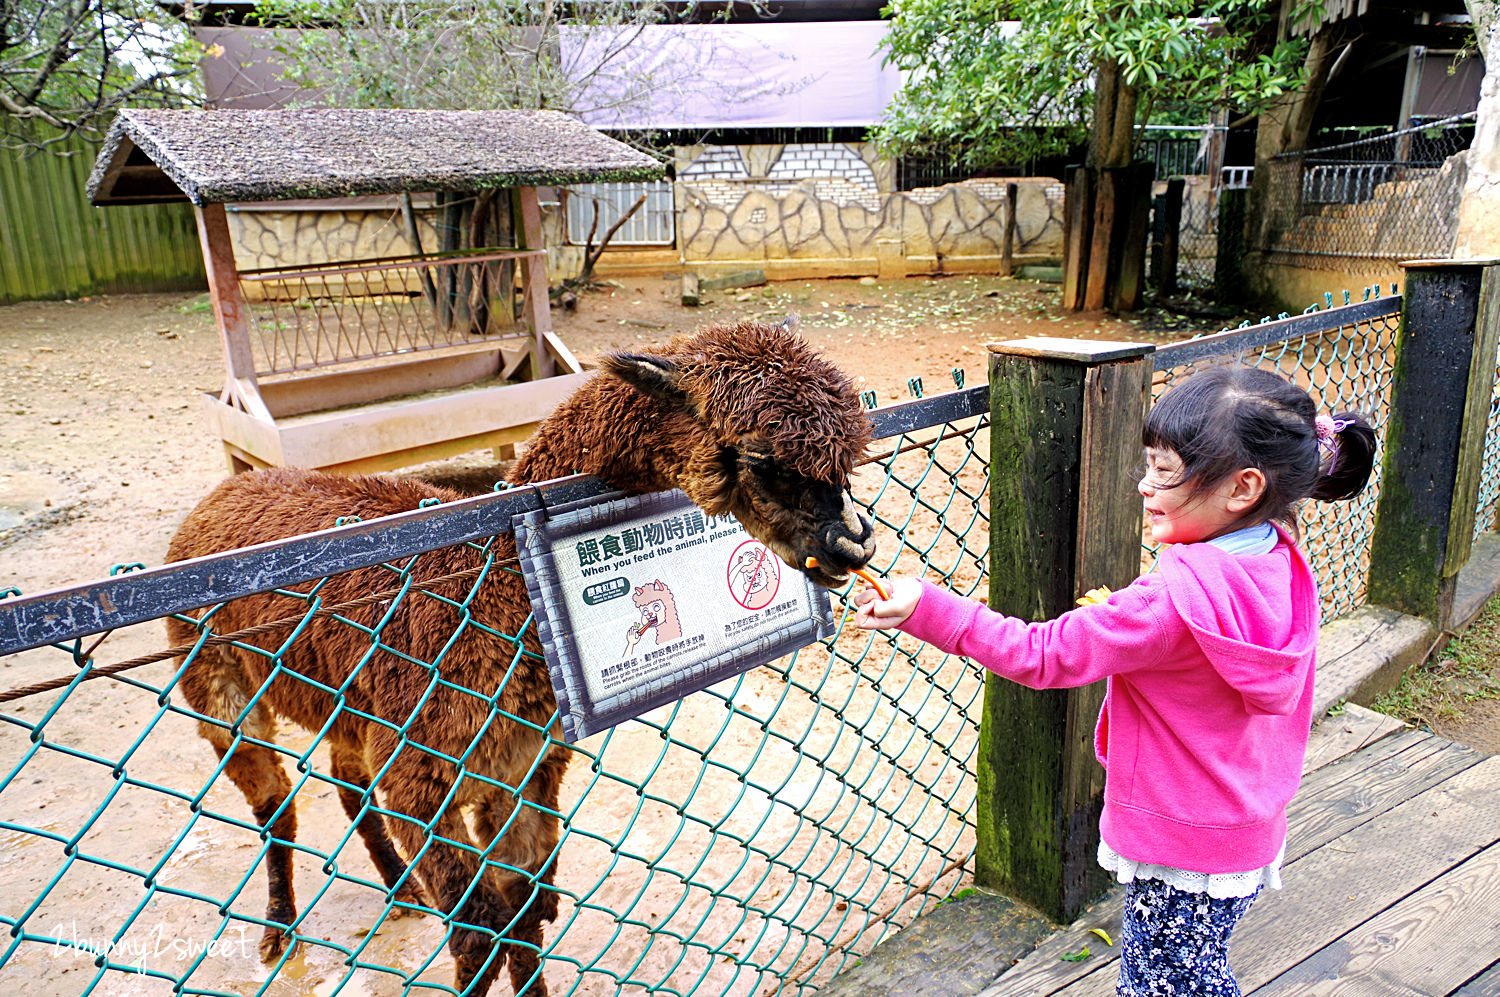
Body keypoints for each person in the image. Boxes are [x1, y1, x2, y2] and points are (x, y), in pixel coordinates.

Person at [852, 365, 1377, 997]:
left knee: (1162, 985)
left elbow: (1042, 655)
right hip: (1244, 825)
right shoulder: (1277, 559)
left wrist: (926, 608)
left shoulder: (1164, 605)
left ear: (1242, 488)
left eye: (1163, 470)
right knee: (1195, 971)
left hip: (1179, 841)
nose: (1142, 485)